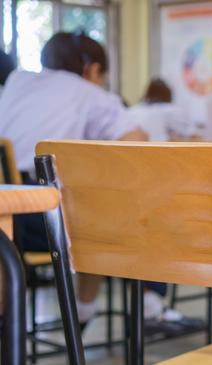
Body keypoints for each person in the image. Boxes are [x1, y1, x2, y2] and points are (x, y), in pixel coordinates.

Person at [0, 32, 199, 335]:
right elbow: (138, 143)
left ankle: (83, 314)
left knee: (92, 208)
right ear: (92, 69)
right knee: (130, 213)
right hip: (45, 224)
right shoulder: (89, 94)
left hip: (7, 224)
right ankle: (143, 309)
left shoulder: (16, 84)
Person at [128, 78, 199, 141]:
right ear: (168, 94)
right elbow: (193, 135)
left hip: (134, 152)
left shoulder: (133, 110)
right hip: (159, 152)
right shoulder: (169, 110)